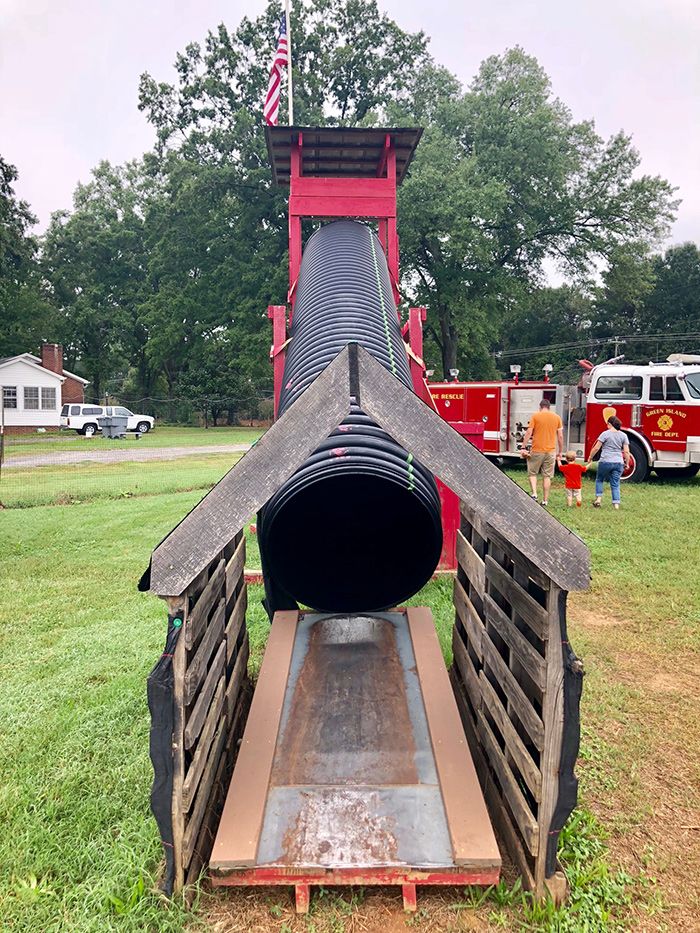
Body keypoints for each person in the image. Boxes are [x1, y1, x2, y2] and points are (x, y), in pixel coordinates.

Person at [521, 399, 564, 506]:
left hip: (537, 450)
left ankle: (534, 493)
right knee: (547, 476)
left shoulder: (535, 416)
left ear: (540, 407)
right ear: (549, 407)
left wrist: (523, 446)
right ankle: (545, 500)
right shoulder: (557, 417)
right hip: (550, 451)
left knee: (532, 473)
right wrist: (560, 451)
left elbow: (529, 432)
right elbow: (560, 436)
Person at [588, 415, 631, 510]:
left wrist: (590, 457)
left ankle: (598, 499)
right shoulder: (623, 435)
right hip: (618, 463)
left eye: (607, 424)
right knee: (615, 483)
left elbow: (596, 447)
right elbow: (626, 452)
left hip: (605, 461)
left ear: (610, 424)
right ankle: (616, 505)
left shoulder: (605, 434)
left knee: (599, 479)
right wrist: (627, 463)